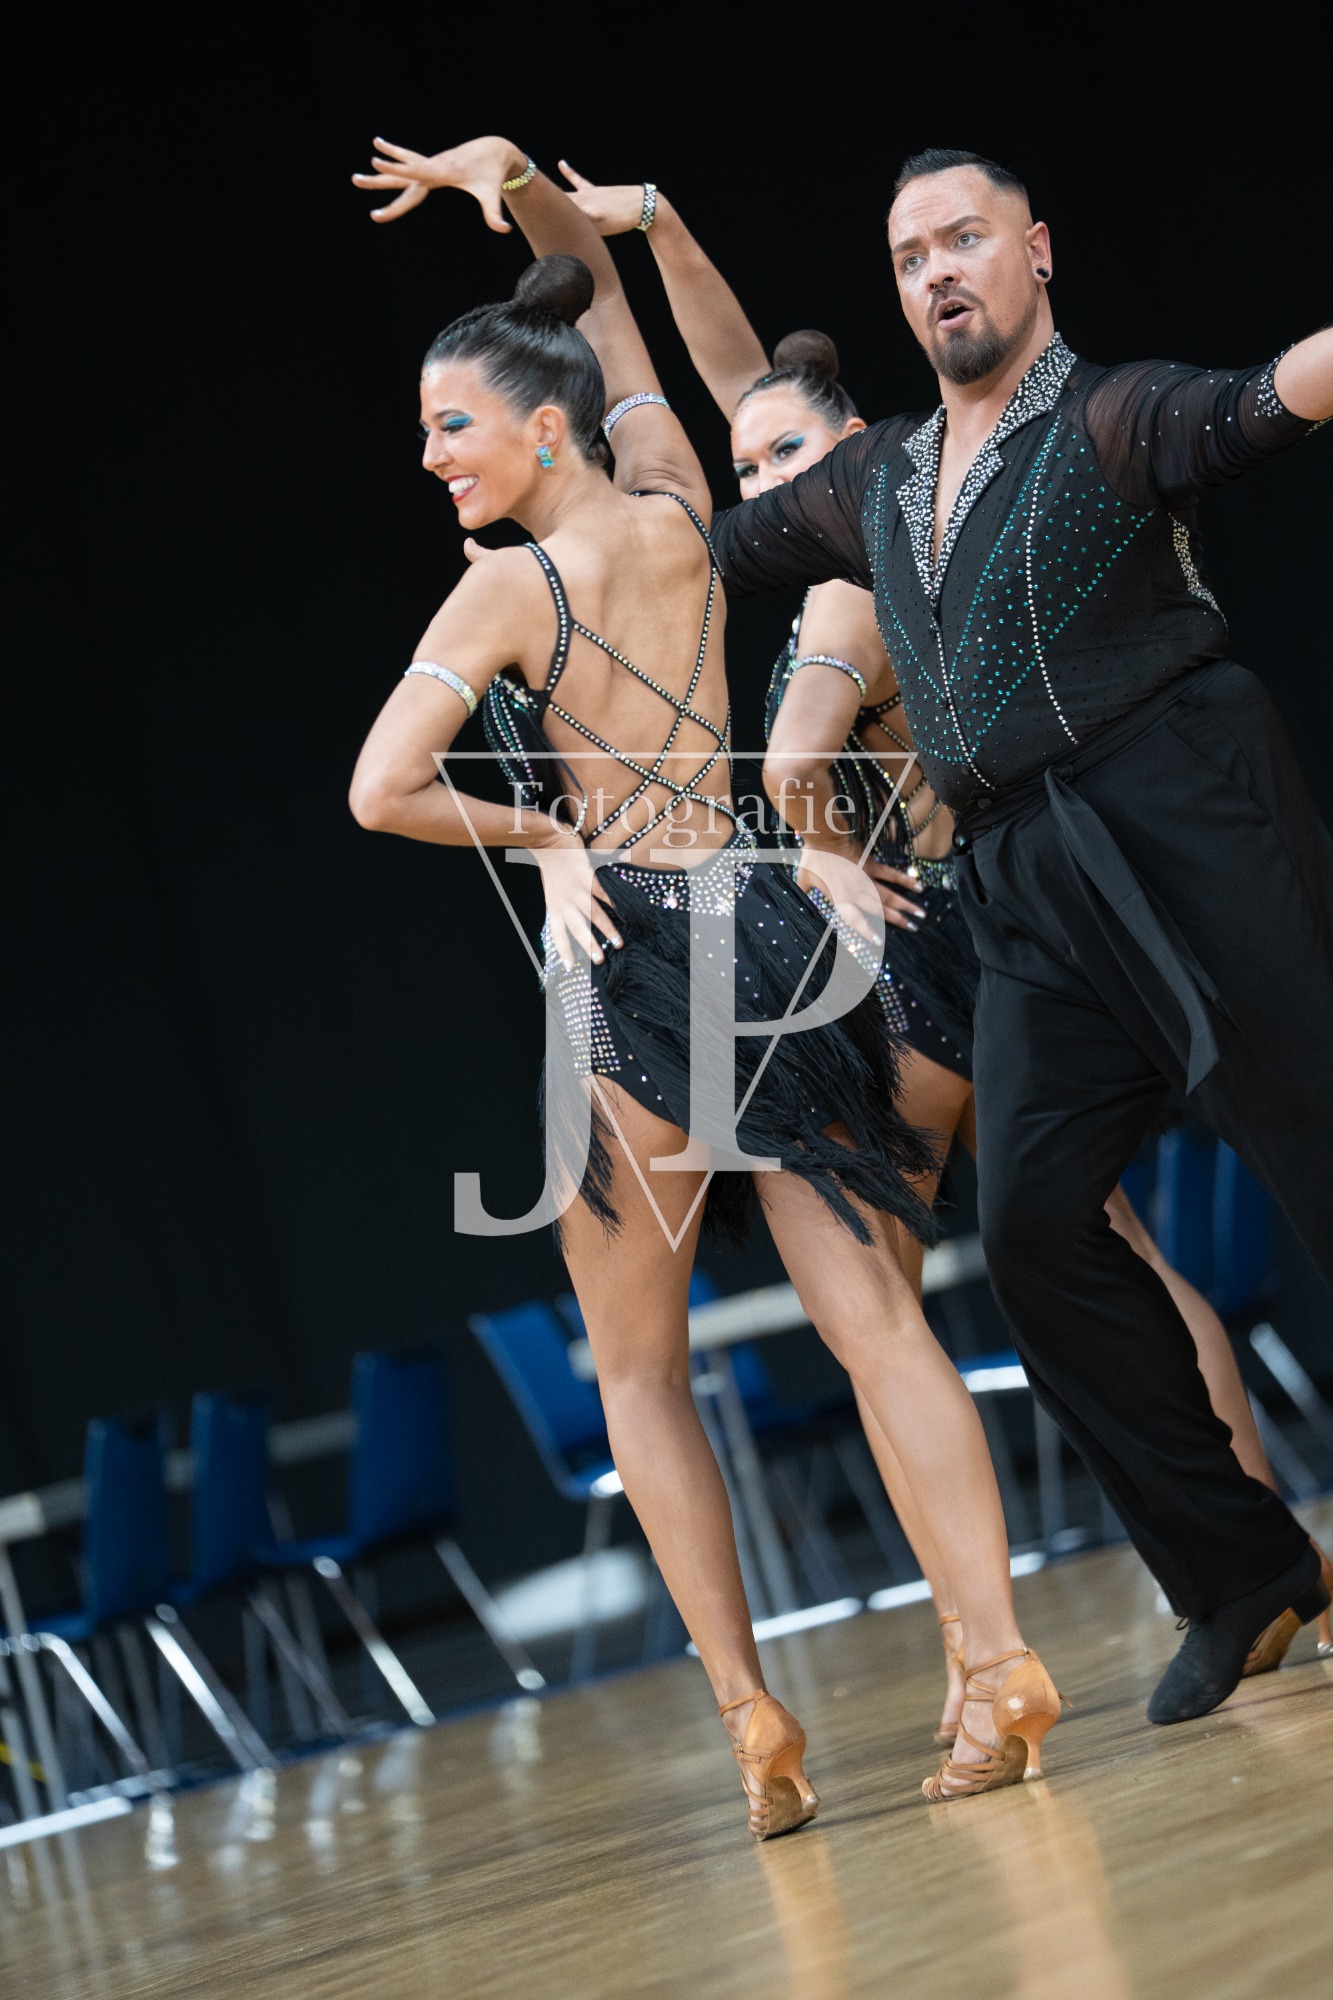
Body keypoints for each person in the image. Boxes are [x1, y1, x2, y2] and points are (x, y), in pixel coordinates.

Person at [347, 132, 1065, 1824]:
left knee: (638, 1375)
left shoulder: (501, 591)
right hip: (772, 938)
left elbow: (378, 790)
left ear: (538, 432)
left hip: (632, 973)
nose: (430, 455)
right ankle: (993, 1655)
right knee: (880, 1322)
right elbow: (606, 314)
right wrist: (525, 188)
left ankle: (749, 1714)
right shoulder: (676, 495)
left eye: (451, 425)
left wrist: (545, 837)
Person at [558, 168, 1333, 1712]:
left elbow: (1264, 398)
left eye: (962, 240)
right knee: (1038, 1236)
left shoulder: (1108, 414)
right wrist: (548, 543)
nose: (936, 272)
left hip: (1179, 801)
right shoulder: (877, 477)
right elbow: (695, 510)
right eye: (909, 255)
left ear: (1032, 253)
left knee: (1316, 1144)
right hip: (1017, 871)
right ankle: (1243, 1575)